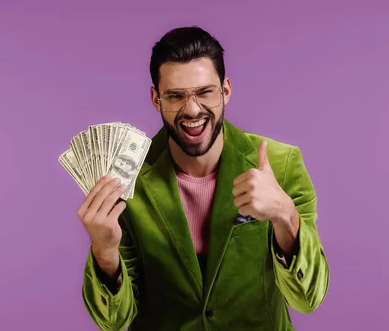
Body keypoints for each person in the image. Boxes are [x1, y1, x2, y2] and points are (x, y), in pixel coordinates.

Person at [75, 26, 329, 331]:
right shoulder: (125, 180)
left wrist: (285, 216)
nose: (192, 109)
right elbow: (113, 322)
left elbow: (309, 298)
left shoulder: (281, 166)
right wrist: (104, 252)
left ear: (225, 90)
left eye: (204, 92)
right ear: (156, 99)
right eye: (175, 96)